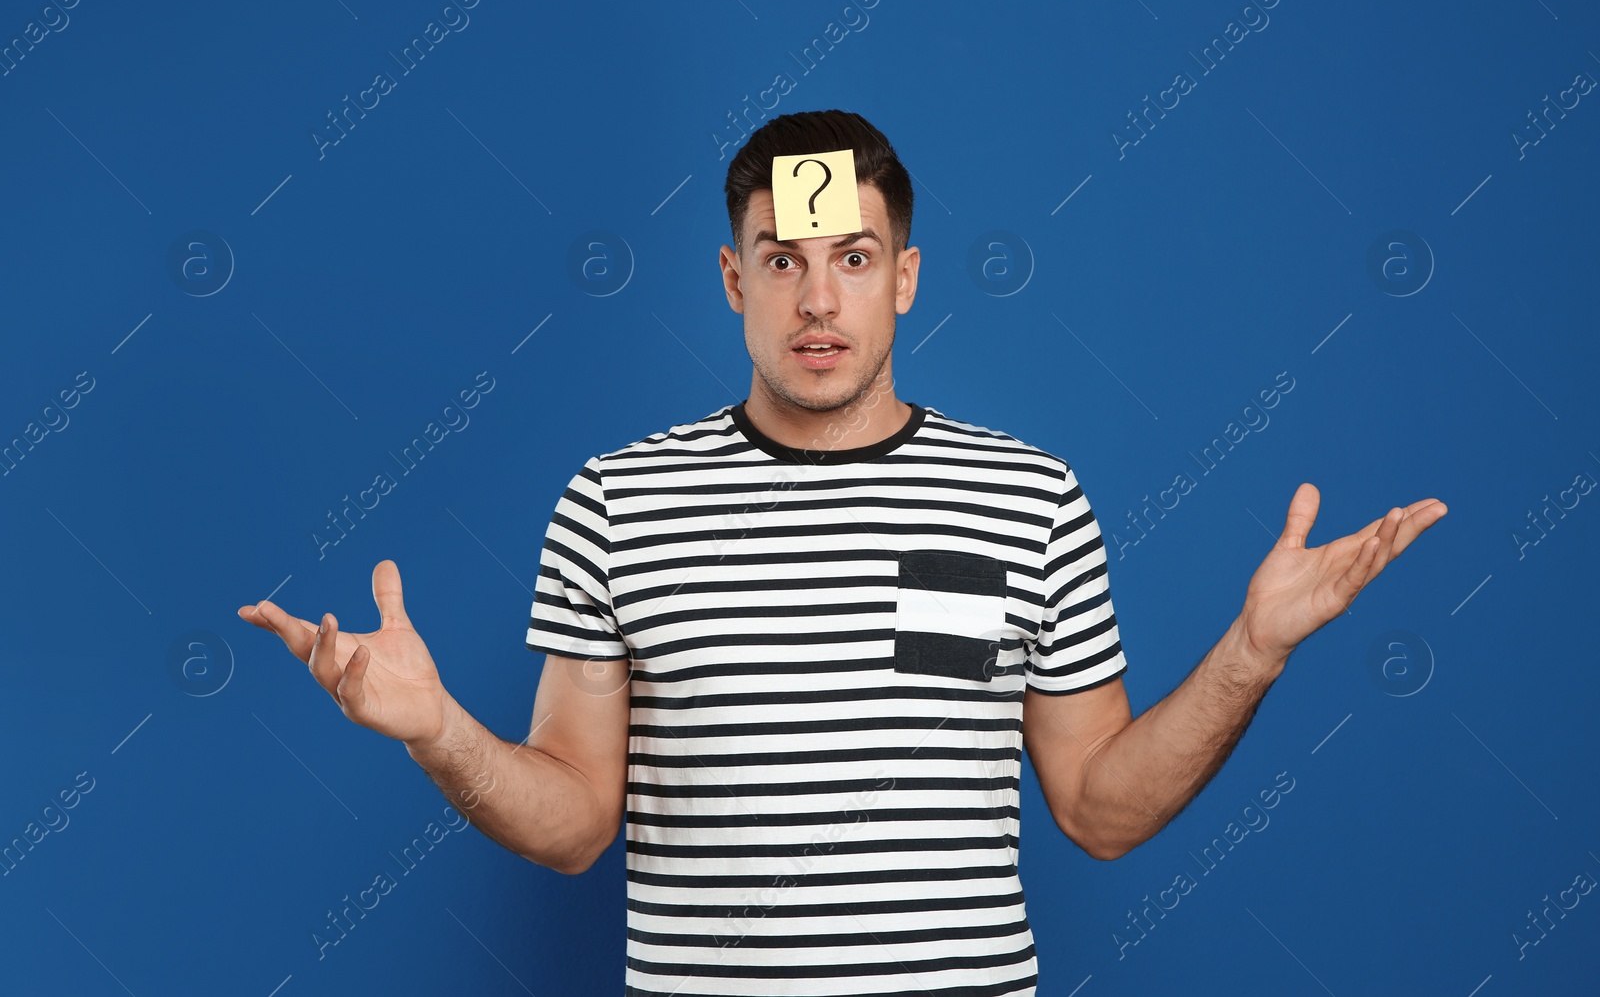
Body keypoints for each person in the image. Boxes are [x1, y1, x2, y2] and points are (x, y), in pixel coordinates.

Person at [238, 109, 1447, 996]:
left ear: (905, 277)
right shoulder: (619, 501)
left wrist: (1250, 650)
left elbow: (1099, 807)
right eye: (783, 260)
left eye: (853, 259)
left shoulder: (1023, 497)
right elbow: (572, 824)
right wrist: (438, 729)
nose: (819, 302)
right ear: (732, 279)